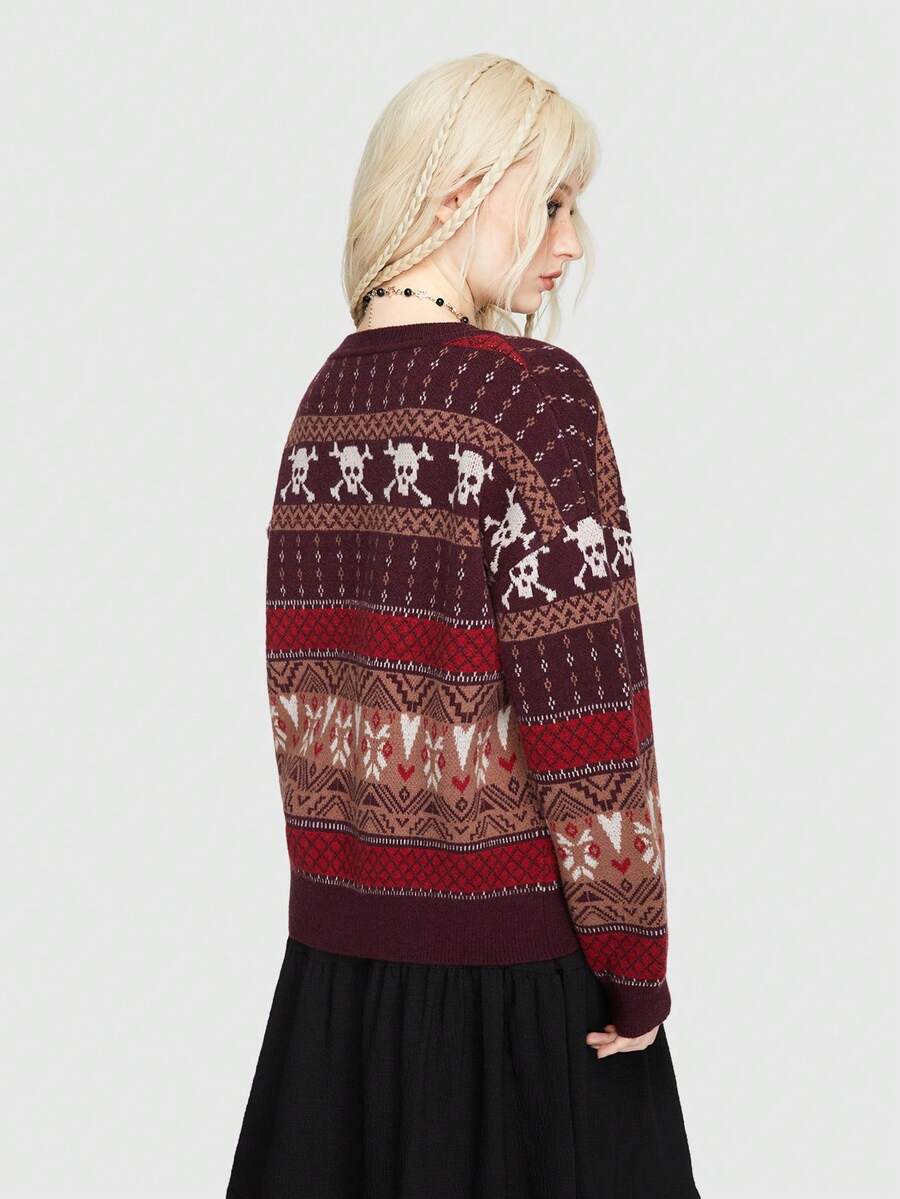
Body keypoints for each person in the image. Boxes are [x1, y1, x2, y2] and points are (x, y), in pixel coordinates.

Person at [226, 52, 701, 1199]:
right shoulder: (530, 392)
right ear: (457, 193)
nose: (572, 243)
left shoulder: (326, 402)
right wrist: (634, 962)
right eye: (553, 201)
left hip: (335, 994)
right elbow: (591, 713)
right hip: (518, 994)